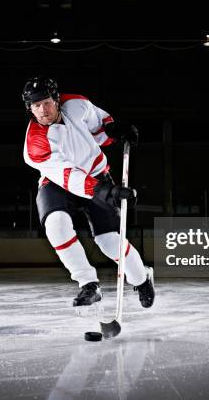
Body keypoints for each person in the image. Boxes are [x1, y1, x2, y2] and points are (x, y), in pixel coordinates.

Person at [22, 76, 155, 309]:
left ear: (56, 99)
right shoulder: (36, 144)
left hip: (96, 174)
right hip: (58, 183)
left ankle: (142, 279)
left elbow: (98, 124)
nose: (42, 110)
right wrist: (107, 192)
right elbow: (69, 178)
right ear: (30, 108)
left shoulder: (75, 104)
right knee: (56, 225)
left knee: (109, 242)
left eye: (46, 102)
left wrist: (114, 130)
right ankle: (88, 284)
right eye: (35, 105)